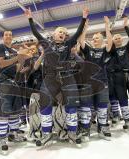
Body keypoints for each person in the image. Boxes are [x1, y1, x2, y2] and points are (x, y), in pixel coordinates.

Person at [24, 7, 89, 146]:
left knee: (71, 105)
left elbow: (78, 32)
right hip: (50, 78)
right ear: (54, 34)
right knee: (45, 104)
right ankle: (46, 134)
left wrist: (83, 18)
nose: (63, 34)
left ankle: (72, 133)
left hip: (67, 77)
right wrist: (30, 18)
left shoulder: (68, 44)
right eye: (60, 32)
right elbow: (35, 32)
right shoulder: (46, 44)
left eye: (64, 33)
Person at [0, 30, 29, 155]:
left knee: (15, 110)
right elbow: (1, 64)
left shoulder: (14, 51)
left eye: (10, 35)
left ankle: (13, 134)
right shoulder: (0, 47)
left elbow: (18, 68)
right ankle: (1, 138)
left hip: (14, 82)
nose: (8, 36)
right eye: (6, 34)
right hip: (2, 82)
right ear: (2, 37)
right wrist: (18, 56)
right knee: (3, 110)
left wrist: (26, 59)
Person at [79, 16, 113, 140]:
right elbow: (81, 41)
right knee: (85, 106)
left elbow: (110, 42)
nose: (94, 40)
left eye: (97, 38)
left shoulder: (105, 50)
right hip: (88, 83)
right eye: (93, 39)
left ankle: (102, 128)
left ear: (101, 39)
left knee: (103, 106)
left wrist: (107, 27)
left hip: (102, 82)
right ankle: (85, 128)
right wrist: (85, 28)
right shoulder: (88, 50)